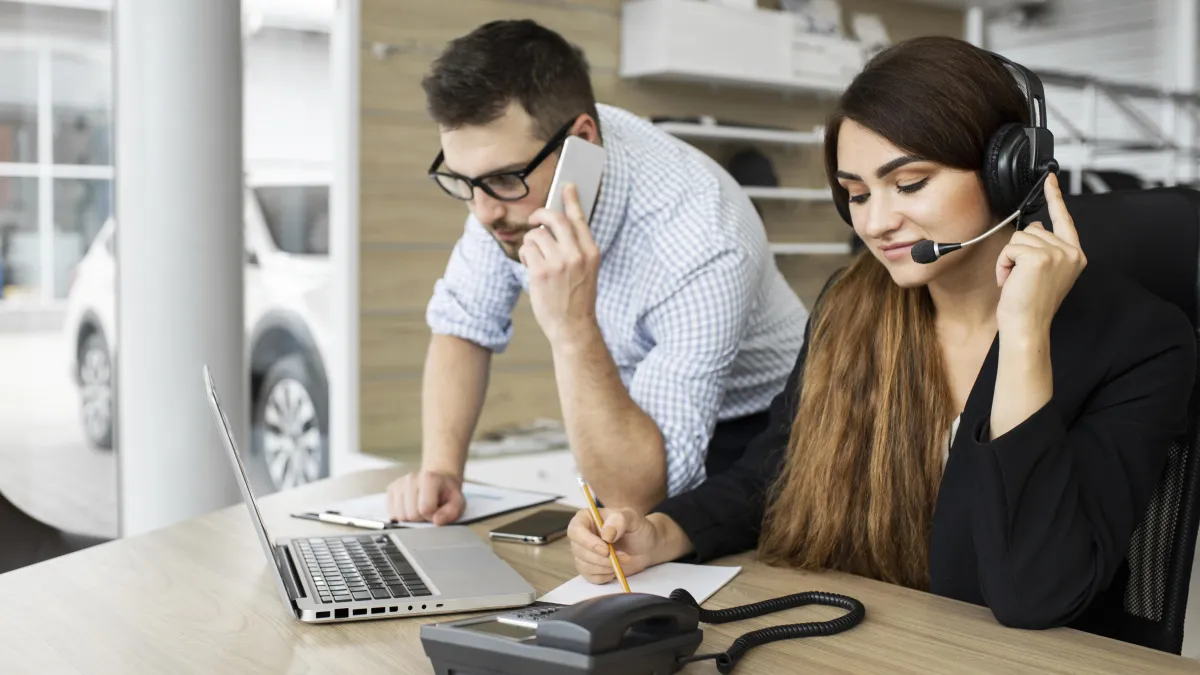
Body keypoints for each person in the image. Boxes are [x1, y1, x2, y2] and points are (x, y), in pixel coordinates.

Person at [566, 36, 1197, 641]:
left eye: (910, 184)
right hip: (871, 641)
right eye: (856, 194)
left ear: (1008, 171)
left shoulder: (1141, 342)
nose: (875, 222)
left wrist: (1025, 336)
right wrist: (662, 532)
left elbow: (1035, 592)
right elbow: (776, 470)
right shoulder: (854, 303)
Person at [385, 20, 808, 522]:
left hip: (765, 426)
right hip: (634, 410)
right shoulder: (507, 195)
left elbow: (639, 497)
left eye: (501, 179)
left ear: (581, 142)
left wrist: (572, 327)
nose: (482, 212)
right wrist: (441, 470)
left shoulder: (703, 235)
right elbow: (463, 325)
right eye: (464, 181)